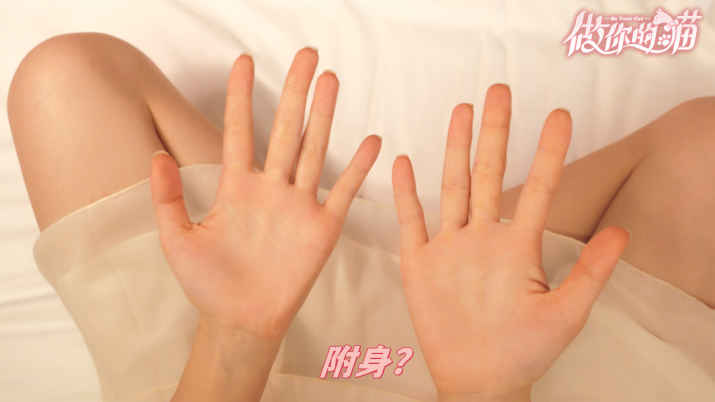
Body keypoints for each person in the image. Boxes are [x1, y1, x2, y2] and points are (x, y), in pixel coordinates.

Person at [7, 33, 715, 402]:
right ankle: (459, 260)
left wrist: (238, 331)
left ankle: (382, 256)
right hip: (514, 368)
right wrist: (486, 387)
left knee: (64, 80)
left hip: (236, 363)